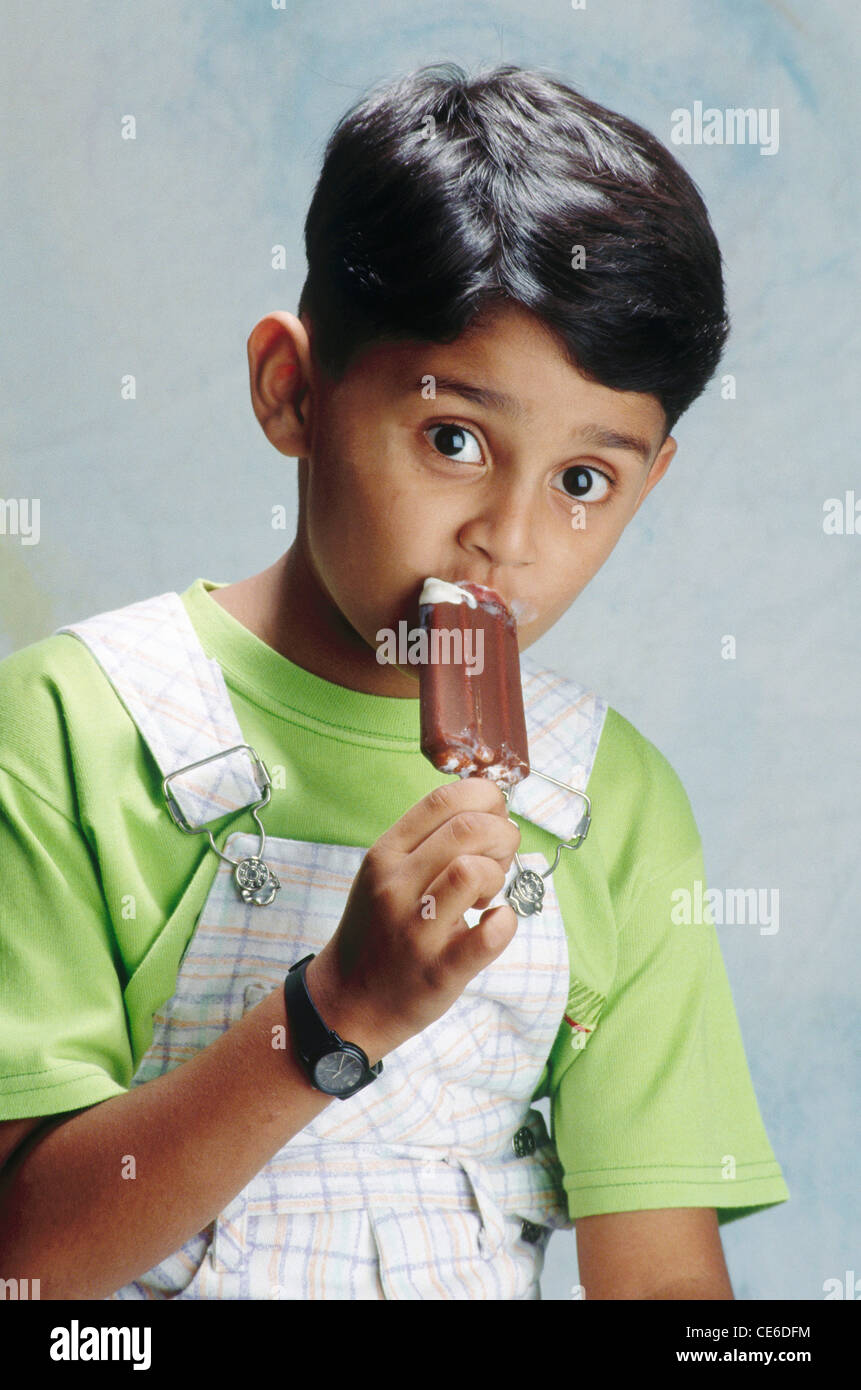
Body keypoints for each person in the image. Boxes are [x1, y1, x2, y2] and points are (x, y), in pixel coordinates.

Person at [0, 62, 788, 1300]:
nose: (508, 542)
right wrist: (333, 1015)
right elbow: (25, 1271)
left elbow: (664, 1292)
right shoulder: (69, 726)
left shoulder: (613, 806)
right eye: (454, 440)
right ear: (292, 391)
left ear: (650, 482)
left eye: (585, 480)